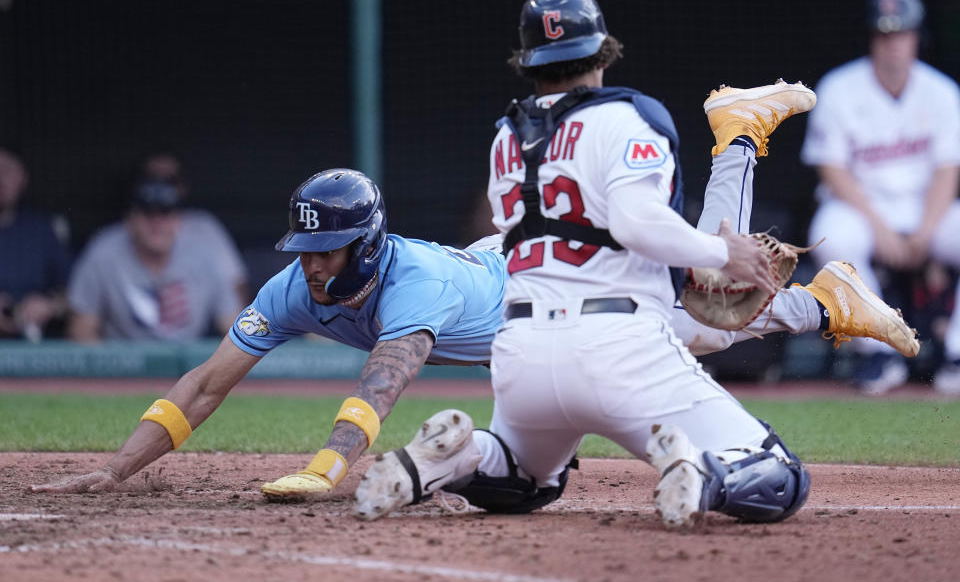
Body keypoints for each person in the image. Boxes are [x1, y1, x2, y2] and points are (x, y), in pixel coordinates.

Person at [31, 154, 915, 506]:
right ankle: (823, 299)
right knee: (708, 322)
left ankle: (736, 143)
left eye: (327, 251)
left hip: (559, 290)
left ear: (365, 246)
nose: (310, 265)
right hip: (514, 283)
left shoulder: (405, 281)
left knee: (709, 316)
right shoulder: (297, 285)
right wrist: (115, 470)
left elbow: (389, 374)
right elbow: (205, 382)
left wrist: (330, 467)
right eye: (304, 249)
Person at [351, 0, 917, 530]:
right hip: (618, 346)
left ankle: (455, 457)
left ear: (529, 61)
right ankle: (703, 471)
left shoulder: (506, 137)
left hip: (520, 354)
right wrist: (723, 250)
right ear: (601, 51)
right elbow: (637, 222)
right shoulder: (621, 117)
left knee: (526, 481)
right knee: (779, 478)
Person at [801, 0, 960, 395]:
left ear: (916, 37)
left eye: (901, 34)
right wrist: (883, 230)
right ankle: (877, 352)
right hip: (862, 209)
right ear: (872, 38)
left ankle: (957, 354)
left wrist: (925, 231)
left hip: (928, 211)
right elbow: (832, 170)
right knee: (831, 236)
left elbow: (948, 170)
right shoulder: (839, 87)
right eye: (884, 35)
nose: (894, 45)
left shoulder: (942, 91)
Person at [66, 174, 242, 341]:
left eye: (165, 213)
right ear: (130, 220)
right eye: (147, 213)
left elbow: (232, 327)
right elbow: (82, 330)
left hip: (190, 366)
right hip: (124, 366)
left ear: (178, 221)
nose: (157, 223)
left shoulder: (203, 254)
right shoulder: (103, 253)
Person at [139, 153, 250, 305]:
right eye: (153, 179)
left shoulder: (204, 228)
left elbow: (235, 285)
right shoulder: (113, 239)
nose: (161, 187)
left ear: (183, 186)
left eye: (170, 181)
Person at [0, 147, 72, 340]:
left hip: (35, 349)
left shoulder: (42, 229)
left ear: (22, 178)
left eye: (6, 170)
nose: (0, 178)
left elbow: (76, 294)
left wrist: (50, 305)